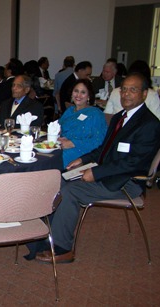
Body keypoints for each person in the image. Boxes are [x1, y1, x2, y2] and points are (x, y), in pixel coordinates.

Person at [34, 73, 160, 264]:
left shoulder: (149, 124)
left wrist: (96, 172)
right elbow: (104, 149)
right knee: (59, 179)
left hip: (127, 182)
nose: (126, 94)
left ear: (144, 94)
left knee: (70, 191)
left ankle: (63, 249)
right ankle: (50, 233)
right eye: (124, 89)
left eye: (132, 90)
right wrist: (83, 159)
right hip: (109, 172)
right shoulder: (120, 117)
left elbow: (132, 163)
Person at [58, 79, 107, 168]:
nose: (78, 95)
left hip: (80, 151)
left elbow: (99, 141)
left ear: (88, 96)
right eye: (76, 91)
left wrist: (73, 143)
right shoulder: (70, 110)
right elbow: (58, 127)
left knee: (52, 161)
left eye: (83, 92)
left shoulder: (95, 114)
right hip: (61, 146)